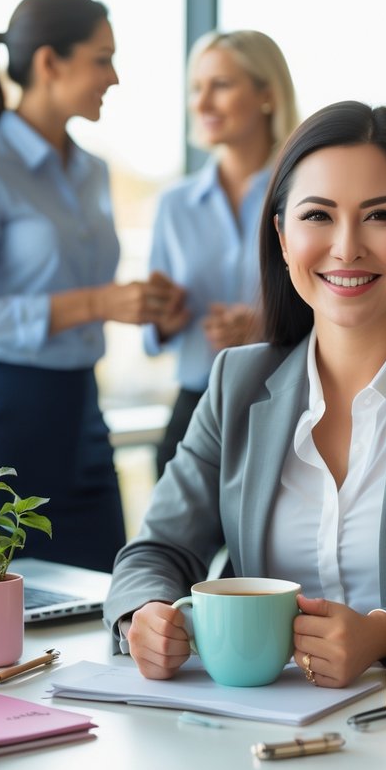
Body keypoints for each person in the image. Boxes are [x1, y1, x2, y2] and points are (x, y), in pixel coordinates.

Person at [104, 101, 386, 688]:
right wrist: (143, 616)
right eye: (318, 215)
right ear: (281, 235)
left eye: (380, 217)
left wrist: (385, 634)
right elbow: (154, 552)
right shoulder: (235, 382)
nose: (346, 248)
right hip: (252, 724)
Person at [0, 0, 186, 573]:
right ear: (50, 63)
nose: (114, 77)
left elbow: (85, 292)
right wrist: (98, 301)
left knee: (107, 596)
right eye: (102, 58)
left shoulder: (93, 171)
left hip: (81, 413)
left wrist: (146, 306)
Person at [145, 30, 300, 477]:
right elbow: (155, 336)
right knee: (170, 546)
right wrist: (164, 318)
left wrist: (266, 325)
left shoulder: (304, 197)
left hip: (286, 402)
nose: (203, 102)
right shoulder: (174, 204)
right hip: (196, 404)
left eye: (221, 85)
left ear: (267, 94)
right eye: (197, 88)